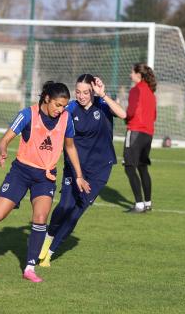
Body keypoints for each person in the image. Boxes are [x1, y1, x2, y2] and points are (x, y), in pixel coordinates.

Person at [0, 81, 90, 283]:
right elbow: (5, 139)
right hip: (21, 172)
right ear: (47, 99)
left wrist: (79, 175)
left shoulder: (66, 119)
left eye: (64, 106)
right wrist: (2, 151)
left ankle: (29, 268)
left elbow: (70, 148)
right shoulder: (28, 114)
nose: (60, 109)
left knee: (40, 217)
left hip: (45, 177)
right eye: (57, 105)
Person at [38, 74, 126, 267]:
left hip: (99, 170)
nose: (82, 96)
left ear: (93, 91)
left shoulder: (102, 105)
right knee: (64, 206)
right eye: (78, 92)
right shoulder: (69, 109)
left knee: (76, 212)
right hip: (74, 166)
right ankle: (47, 239)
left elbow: (124, 115)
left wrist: (103, 95)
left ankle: (50, 254)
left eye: (86, 92)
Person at [124, 63, 157, 213]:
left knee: (130, 168)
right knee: (142, 167)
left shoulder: (135, 90)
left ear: (138, 74)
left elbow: (130, 113)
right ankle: (148, 203)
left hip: (135, 132)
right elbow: (154, 115)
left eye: (132, 72)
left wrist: (123, 116)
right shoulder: (150, 92)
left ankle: (139, 205)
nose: (130, 75)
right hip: (148, 134)